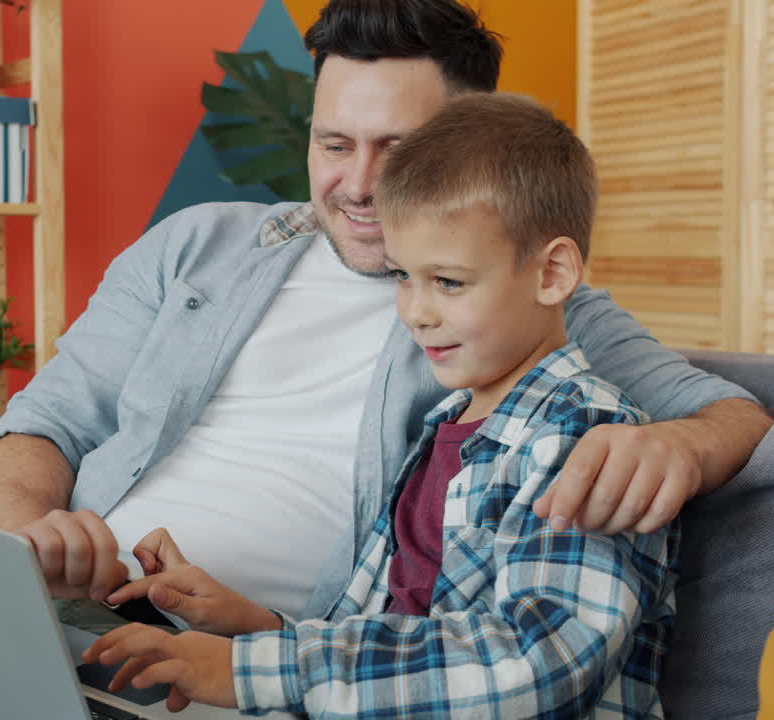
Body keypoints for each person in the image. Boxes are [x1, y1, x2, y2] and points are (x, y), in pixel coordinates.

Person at [0, 1, 769, 717]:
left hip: (235, 657)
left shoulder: (516, 314)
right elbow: (45, 419)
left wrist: (662, 443)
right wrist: (28, 528)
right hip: (42, 590)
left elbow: (730, 415)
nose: (357, 184)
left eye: (396, 149)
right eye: (332, 142)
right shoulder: (200, 246)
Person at [82, 91, 676, 719]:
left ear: (552, 274)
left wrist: (252, 670)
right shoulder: (445, 423)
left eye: (448, 282)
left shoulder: (584, 438)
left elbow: (542, 663)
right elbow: (386, 631)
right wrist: (256, 627)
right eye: (402, 276)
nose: (416, 312)